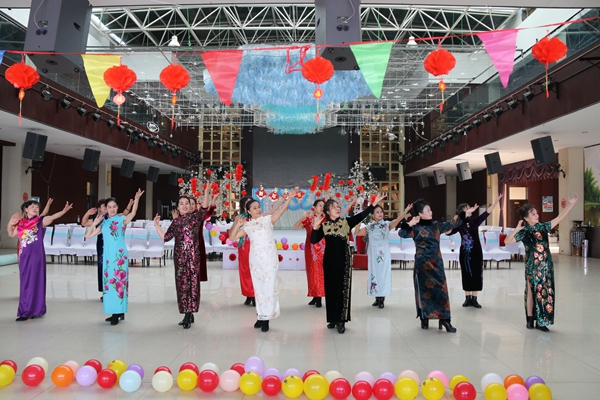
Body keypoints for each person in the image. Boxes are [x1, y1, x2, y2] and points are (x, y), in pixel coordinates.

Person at [310, 193, 386, 334]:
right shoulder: (324, 226)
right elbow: (313, 240)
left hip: (344, 262)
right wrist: (315, 227)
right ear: (328, 212)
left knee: (343, 290)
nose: (337, 208)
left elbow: (362, 215)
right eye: (333, 207)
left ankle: (341, 320)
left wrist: (374, 204)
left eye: (337, 206)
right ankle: (332, 319)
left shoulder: (346, 222)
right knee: (331, 290)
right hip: (329, 263)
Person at [504, 193, 578, 332]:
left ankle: (542, 321)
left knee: (546, 292)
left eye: (536, 213)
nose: (536, 216)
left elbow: (559, 218)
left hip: (546, 265)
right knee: (532, 290)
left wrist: (571, 204)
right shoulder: (524, 232)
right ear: (526, 218)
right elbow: (507, 241)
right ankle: (530, 318)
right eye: (533, 214)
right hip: (532, 265)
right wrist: (516, 229)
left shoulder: (543, 227)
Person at [229, 189, 301, 332]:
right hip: (255, 261)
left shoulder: (268, 220)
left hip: (269, 260)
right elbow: (232, 237)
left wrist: (289, 199)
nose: (258, 209)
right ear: (248, 211)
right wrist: (237, 224)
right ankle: (261, 316)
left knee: (269, 287)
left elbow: (280, 211)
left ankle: (266, 318)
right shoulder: (248, 225)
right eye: (254, 208)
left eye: (258, 207)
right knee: (259, 289)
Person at [399, 199, 470, 333]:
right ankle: (424, 317)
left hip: (437, 263)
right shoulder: (415, 228)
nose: (431, 212)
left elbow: (453, 224)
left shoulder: (436, 226)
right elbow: (402, 234)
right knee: (423, 292)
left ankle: (445, 319)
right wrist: (410, 223)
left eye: (430, 210)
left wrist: (463, 215)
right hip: (422, 265)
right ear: (420, 214)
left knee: (442, 291)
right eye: (427, 210)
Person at [153, 187, 214, 329]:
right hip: (179, 258)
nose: (185, 206)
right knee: (182, 285)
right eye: (181, 204)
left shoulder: (195, 217)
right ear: (178, 207)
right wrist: (156, 225)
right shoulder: (176, 222)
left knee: (193, 284)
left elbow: (204, 208)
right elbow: (166, 237)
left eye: (187, 203)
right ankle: (186, 312)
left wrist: (206, 193)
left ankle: (189, 313)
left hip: (193, 257)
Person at [7, 199, 73, 321]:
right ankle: (35, 309)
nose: (35, 208)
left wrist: (64, 211)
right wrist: (10, 223)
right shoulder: (21, 223)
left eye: (37, 207)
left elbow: (52, 217)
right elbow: (11, 233)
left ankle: (27, 311)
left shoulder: (39, 221)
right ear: (25, 209)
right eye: (32, 206)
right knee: (26, 282)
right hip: (23, 256)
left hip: (36, 256)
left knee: (34, 281)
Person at [86, 189, 144, 325]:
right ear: (106, 209)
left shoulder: (121, 220)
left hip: (119, 256)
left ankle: (118, 313)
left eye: (114, 207)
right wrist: (94, 223)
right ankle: (114, 311)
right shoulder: (104, 223)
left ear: (117, 207)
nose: (112, 209)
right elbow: (88, 235)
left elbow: (132, 213)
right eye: (109, 207)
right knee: (109, 284)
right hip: (107, 256)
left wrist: (136, 199)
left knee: (119, 283)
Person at [447, 194, 503, 309]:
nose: (470, 210)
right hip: (465, 253)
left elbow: (486, 213)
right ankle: (467, 298)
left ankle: (474, 298)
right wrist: (455, 220)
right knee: (466, 273)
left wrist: (495, 202)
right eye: (466, 209)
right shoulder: (459, 223)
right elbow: (447, 232)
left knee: (477, 273)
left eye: (469, 208)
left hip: (476, 251)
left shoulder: (475, 221)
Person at [355, 203, 413, 309]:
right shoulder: (370, 226)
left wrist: (406, 211)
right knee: (374, 274)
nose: (380, 214)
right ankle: (377, 297)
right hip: (373, 254)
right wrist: (359, 221)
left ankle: (382, 298)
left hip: (383, 254)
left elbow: (398, 220)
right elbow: (357, 233)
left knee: (383, 275)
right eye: (377, 212)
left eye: (381, 212)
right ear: (373, 215)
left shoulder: (386, 225)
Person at [82, 199, 133, 302]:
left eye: (109, 207)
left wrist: (130, 204)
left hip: (113, 245)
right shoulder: (100, 220)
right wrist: (88, 214)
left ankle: (115, 293)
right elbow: (84, 223)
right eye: (105, 207)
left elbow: (126, 214)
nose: (107, 209)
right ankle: (105, 291)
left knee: (115, 269)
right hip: (102, 245)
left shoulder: (114, 218)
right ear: (100, 209)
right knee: (103, 268)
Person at [294, 199, 326, 308]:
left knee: (321, 273)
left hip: (323, 250)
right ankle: (314, 294)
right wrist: (303, 217)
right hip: (311, 250)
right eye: (320, 205)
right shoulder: (309, 219)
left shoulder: (326, 219)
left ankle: (319, 296)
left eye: (323, 206)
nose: (322, 207)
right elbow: (295, 226)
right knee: (312, 272)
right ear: (314, 207)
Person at [230, 196, 255, 306]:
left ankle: (254, 294)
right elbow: (232, 232)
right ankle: (248, 294)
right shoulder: (240, 217)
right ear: (244, 206)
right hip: (244, 246)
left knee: (255, 270)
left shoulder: (256, 217)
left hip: (255, 246)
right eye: (248, 203)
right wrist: (238, 225)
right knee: (245, 270)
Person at [187, 195, 215, 282]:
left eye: (192, 204)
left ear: (196, 205)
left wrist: (213, 201)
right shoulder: (182, 217)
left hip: (197, 246)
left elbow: (209, 212)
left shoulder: (199, 216)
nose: (190, 206)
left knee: (196, 273)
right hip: (185, 247)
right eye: (189, 204)